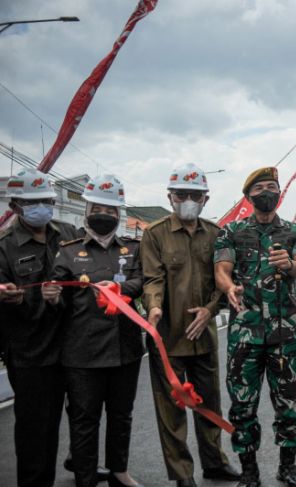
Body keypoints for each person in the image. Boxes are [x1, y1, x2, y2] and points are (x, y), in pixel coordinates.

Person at [214, 166, 296, 487]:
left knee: (288, 403)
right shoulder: (231, 232)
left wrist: (290, 264)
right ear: (248, 196)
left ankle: (287, 467)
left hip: (285, 335)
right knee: (243, 405)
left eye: (272, 186)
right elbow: (222, 269)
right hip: (245, 334)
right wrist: (229, 287)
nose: (266, 192)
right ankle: (249, 471)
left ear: (279, 193)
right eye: (259, 188)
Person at [140, 164, 239, 487]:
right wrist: (153, 308)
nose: (187, 200)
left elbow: (222, 281)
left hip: (204, 336)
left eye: (195, 195)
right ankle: (183, 475)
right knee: (172, 411)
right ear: (170, 197)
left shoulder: (215, 234)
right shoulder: (154, 235)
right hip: (167, 339)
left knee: (210, 403)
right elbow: (152, 278)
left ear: (206, 199)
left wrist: (210, 310)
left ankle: (215, 463)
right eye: (181, 194)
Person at [45, 174, 144, 487]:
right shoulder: (68, 251)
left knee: (121, 415)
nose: (104, 215)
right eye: (98, 208)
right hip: (82, 352)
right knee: (84, 419)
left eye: (111, 210)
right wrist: (52, 297)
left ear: (119, 214)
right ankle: (85, 477)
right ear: (87, 209)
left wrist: (121, 286)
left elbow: (144, 281)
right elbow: (57, 299)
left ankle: (119, 471)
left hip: (125, 348)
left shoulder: (133, 248)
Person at [0, 168, 78, 487]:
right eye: (34, 203)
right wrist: (15, 299)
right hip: (30, 353)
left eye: (47, 200)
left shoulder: (68, 231)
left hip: (71, 346)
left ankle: (84, 466)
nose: (42, 207)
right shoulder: (5, 246)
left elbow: (83, 280)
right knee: (35, 428)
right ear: (16, 205)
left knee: (80, 417)